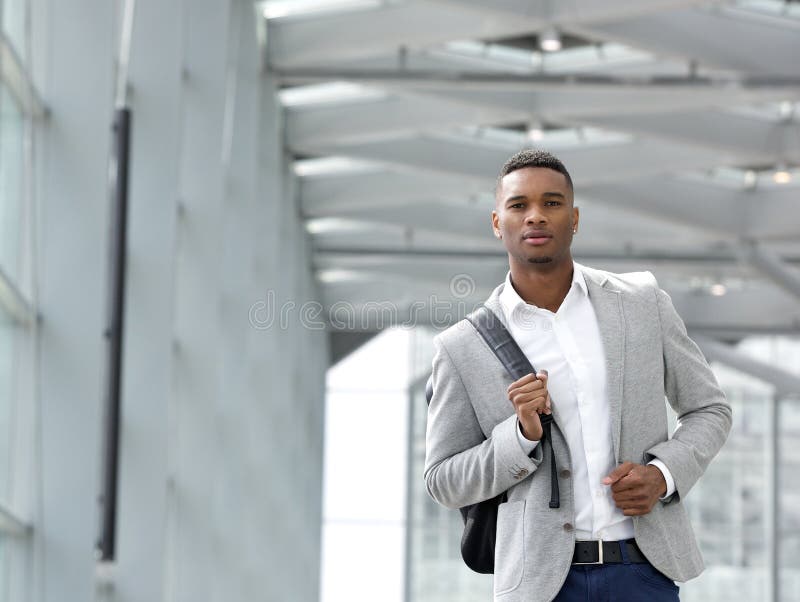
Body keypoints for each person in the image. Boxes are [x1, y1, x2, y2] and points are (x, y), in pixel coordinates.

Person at [423, 149, 732, 601]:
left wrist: (662, 474)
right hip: (540, 585)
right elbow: (443, 480)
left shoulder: (642, 303)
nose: (535, 217)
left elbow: (710, 409)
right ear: (496, 222)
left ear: (575, 218)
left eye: (552, 203)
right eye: (518, 205)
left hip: (643, 570)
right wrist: (521, 435)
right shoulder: (461, 347)